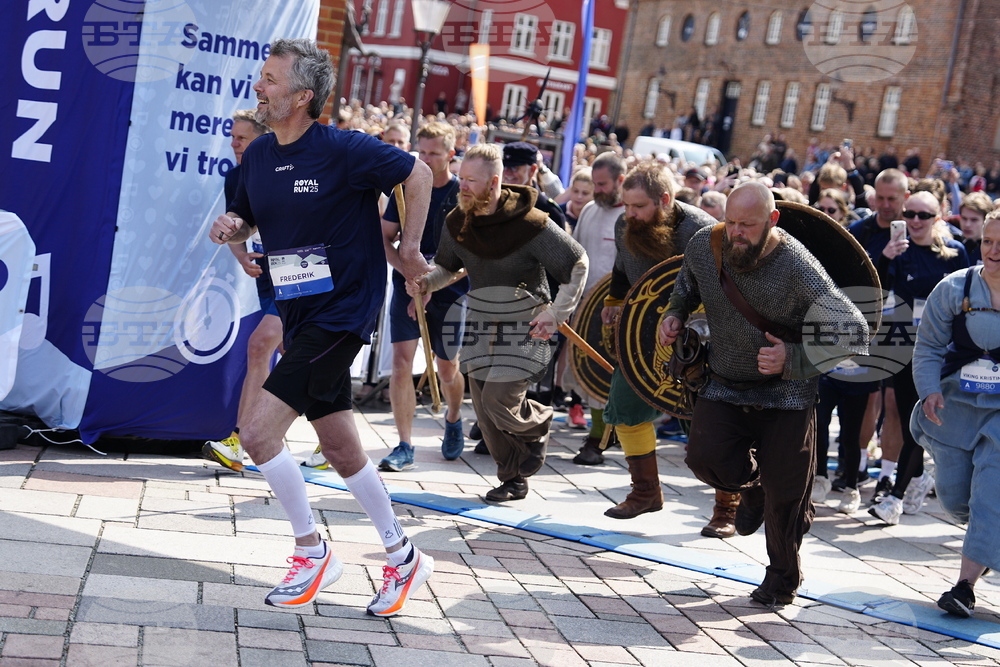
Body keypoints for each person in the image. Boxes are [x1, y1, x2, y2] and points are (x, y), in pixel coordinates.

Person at [209, 38, 436, 615]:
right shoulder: (259, 155)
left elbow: (419, 173)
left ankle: (312, 550)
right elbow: (248, 219)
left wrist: (410, 249)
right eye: (261, 77)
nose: (259, 87)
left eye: (271, 79)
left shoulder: (343, 149)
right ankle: (403, 556)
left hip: (342, 311)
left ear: (303, 96)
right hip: (297, 309)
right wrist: (232, 225)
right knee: (338, 446)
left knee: (257, 434)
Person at [660, 182, 868, 606]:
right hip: (724, 381)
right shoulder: (707, 245)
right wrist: (674, 313)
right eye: (731, 222)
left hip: (787, 394)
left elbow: (854, 331)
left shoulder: (797, 265)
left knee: (786, 498)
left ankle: (781, 580)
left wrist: (793, 357)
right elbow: (686, 284)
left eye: (747, 225)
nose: (736, 232)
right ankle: (753, 486)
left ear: (772, 220)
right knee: (704, 458)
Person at [410, 143, 588, 501]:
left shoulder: (531, 223)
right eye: (461, 178)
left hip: (526, 327)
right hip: (480, 324)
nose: (462, 186)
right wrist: (427, 282)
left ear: (493, 183)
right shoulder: (458, 220)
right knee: (485, 412)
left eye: (471, 181)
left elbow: (577, 263)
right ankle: (512, 479)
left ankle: (538, 420)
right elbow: (449, 267)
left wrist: (556, 313)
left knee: (497, 402)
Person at [597, 162, 719, 527]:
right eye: (626, 205)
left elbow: (724, 290)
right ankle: (645, 491)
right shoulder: (625, 225)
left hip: (699, 341)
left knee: (708, 424)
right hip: (642, 335)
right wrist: (614, 301)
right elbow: (623, 269)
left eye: (638, 206)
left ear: (664, 200)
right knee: (624, 405)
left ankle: (727, 505)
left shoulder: (703, 232)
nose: (629, 214)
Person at [910, 210, 1000, 618]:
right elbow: (928, 346)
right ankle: (988, 538)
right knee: (955, 497)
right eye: (987, 242)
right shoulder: (954, 288)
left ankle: (964, 587)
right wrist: (928, 390)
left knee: (990, 491)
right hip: (954, 407)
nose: (993, 252)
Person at [869, 191, 969, 525]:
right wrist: (884, 258)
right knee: (907, 418)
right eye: (909, 213)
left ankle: (895, 498)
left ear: (937, 217)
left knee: (922, 417)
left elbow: (967, 301)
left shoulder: (954, 253)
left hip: (940, 350)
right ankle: (916, 477)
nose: (914, 221)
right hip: (903, 345)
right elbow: (877, 293)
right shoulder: (897, 250)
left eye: (923, 215)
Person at [378, 122, 469, 472]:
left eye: (435, 153)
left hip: (451, 289)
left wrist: (432, 283)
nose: (427, 159)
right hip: (407, 283)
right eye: (423, 152)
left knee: (447, 369)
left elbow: (470, 257)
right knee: (401, 363)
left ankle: (454, 415)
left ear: (450, 154)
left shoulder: (463, 194)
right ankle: (404, 444)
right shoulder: (405, 188)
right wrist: (409, 274)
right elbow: (384, 238)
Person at [203, 110, 282, 472]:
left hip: (298, 269)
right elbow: (236, 222)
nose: (233, 144)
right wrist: (241, 257)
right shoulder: (235, 176)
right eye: (232, 137)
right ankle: (331, 435)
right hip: (266, 272)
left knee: (260, 344)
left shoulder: (285, 167)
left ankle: (239, 440)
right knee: (293, 355)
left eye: (241, 138)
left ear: (262, 140)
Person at [848, 169, 910, 505]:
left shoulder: (917, 228)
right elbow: (848, 274)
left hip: (905, 324)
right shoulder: (861, 230)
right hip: (869, 323)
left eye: (892, 199)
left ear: (904, 197)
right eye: (880, 198)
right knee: (868, 398)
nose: (886, 205)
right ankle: (858, 466)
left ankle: (886, 474)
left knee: (894, 403)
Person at [568, 152, 628, 457]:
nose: (597, 190)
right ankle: (600, 433)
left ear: (620, 180)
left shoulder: (631, 216)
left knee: (607, 376)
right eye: (595, 183)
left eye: (602, 184)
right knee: (586, 373)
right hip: (585, 308)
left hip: (618, 311)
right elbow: (577, 257)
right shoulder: (590, 210)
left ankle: (600, 438)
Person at [958, 191, 993, 265]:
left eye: (974, 220)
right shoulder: (952, 246)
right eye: (964, 218)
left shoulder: (994, 251)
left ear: (985, 221)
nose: (967, 224)